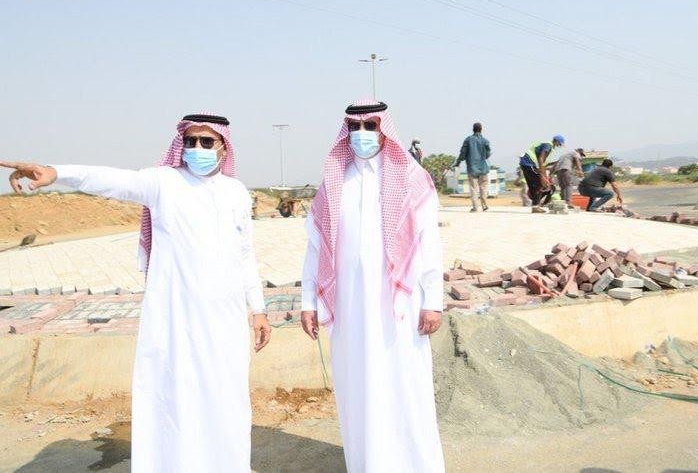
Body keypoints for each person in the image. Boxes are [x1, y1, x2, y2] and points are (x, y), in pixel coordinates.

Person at [1, 114, 270, 472]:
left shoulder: (236, 192)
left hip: (225, 320)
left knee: (227, 399)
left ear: (223, 146)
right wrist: (56, 172)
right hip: (174, 320)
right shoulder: (164, 183)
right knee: (174, 400)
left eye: (207, 142)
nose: (197, 148)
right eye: (190, 141)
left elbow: (245, 254)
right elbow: (111, 180)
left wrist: (258, 309)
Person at [300, 100, 445, 473]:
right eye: (355, 126)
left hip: (400, 306)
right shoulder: (336, 180)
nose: (362, 133)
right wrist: (308, 301)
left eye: (370, 125)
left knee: (403, 383)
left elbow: (429, 242)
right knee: (357, 386)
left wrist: (433, 300)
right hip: (349, 307)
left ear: (384, 130)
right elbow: (316, 247)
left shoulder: (411, 177)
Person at [519, 134, 565, 212]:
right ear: (556, 141)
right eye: (559, 144)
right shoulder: (548, 145)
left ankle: (536, 204)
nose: (559, 146)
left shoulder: (548, 147)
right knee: (540, 184)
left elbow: (544, 163)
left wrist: (545, 175)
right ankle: (535, 207)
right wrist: (542, 176)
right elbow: (541, 158)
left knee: (535, 187)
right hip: (529, 163)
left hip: (526, 164)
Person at [453, 122, 491, 212]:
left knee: (474, 188)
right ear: (481, 130)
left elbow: (462, 154)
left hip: (472, 168)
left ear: (473, 129)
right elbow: (487, 155)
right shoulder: (485, 141)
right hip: (483, 168)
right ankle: (484, 206)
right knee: (483, 187)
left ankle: (475, 207)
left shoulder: (468, 140)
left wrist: (458, 162)